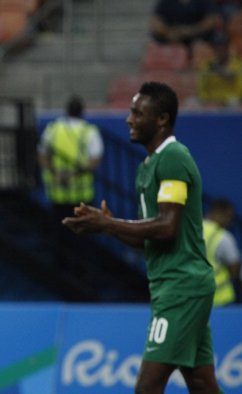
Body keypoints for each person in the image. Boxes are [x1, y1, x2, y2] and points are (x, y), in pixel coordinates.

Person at [63, 81, 222, 394]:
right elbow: (148, 238)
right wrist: (106, 224)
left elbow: (167, 227)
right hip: (171, 285)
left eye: (138, 112)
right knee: (202, 383)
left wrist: (108, 226)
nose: (129, 119)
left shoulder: (174, 157)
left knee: (147, 387)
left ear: (161, 119)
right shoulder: (147, 167)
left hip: (182, 286)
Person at [38, 95, 103, 222]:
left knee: (60, 233)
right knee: (82, 233)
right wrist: (74, 175)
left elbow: (42, 156)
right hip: (82, 194)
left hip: (56, 191)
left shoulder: (53, 129)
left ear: (66, 110)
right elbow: (95, 161)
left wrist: (56, 173)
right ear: (82, 111)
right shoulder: (90, 132)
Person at [204, 197, 241, 305]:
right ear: (219, 214)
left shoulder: (192, 230)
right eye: (229, 216)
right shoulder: (224, 237)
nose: (230, 221)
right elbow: (235, 270)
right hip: (220, 299)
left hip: (194, 297)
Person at [197, 31, 242, 106]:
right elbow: (202, 89)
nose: (221, 50)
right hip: (211, 100)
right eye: (218, 47)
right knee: (191, 103)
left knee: (236, 104)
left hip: (230, 100)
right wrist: (207, 99)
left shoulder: (238, 64)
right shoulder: (207, 65)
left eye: (224, 46)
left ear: (228, 47)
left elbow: (239, 90)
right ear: (214, 49)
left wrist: (224, 101)